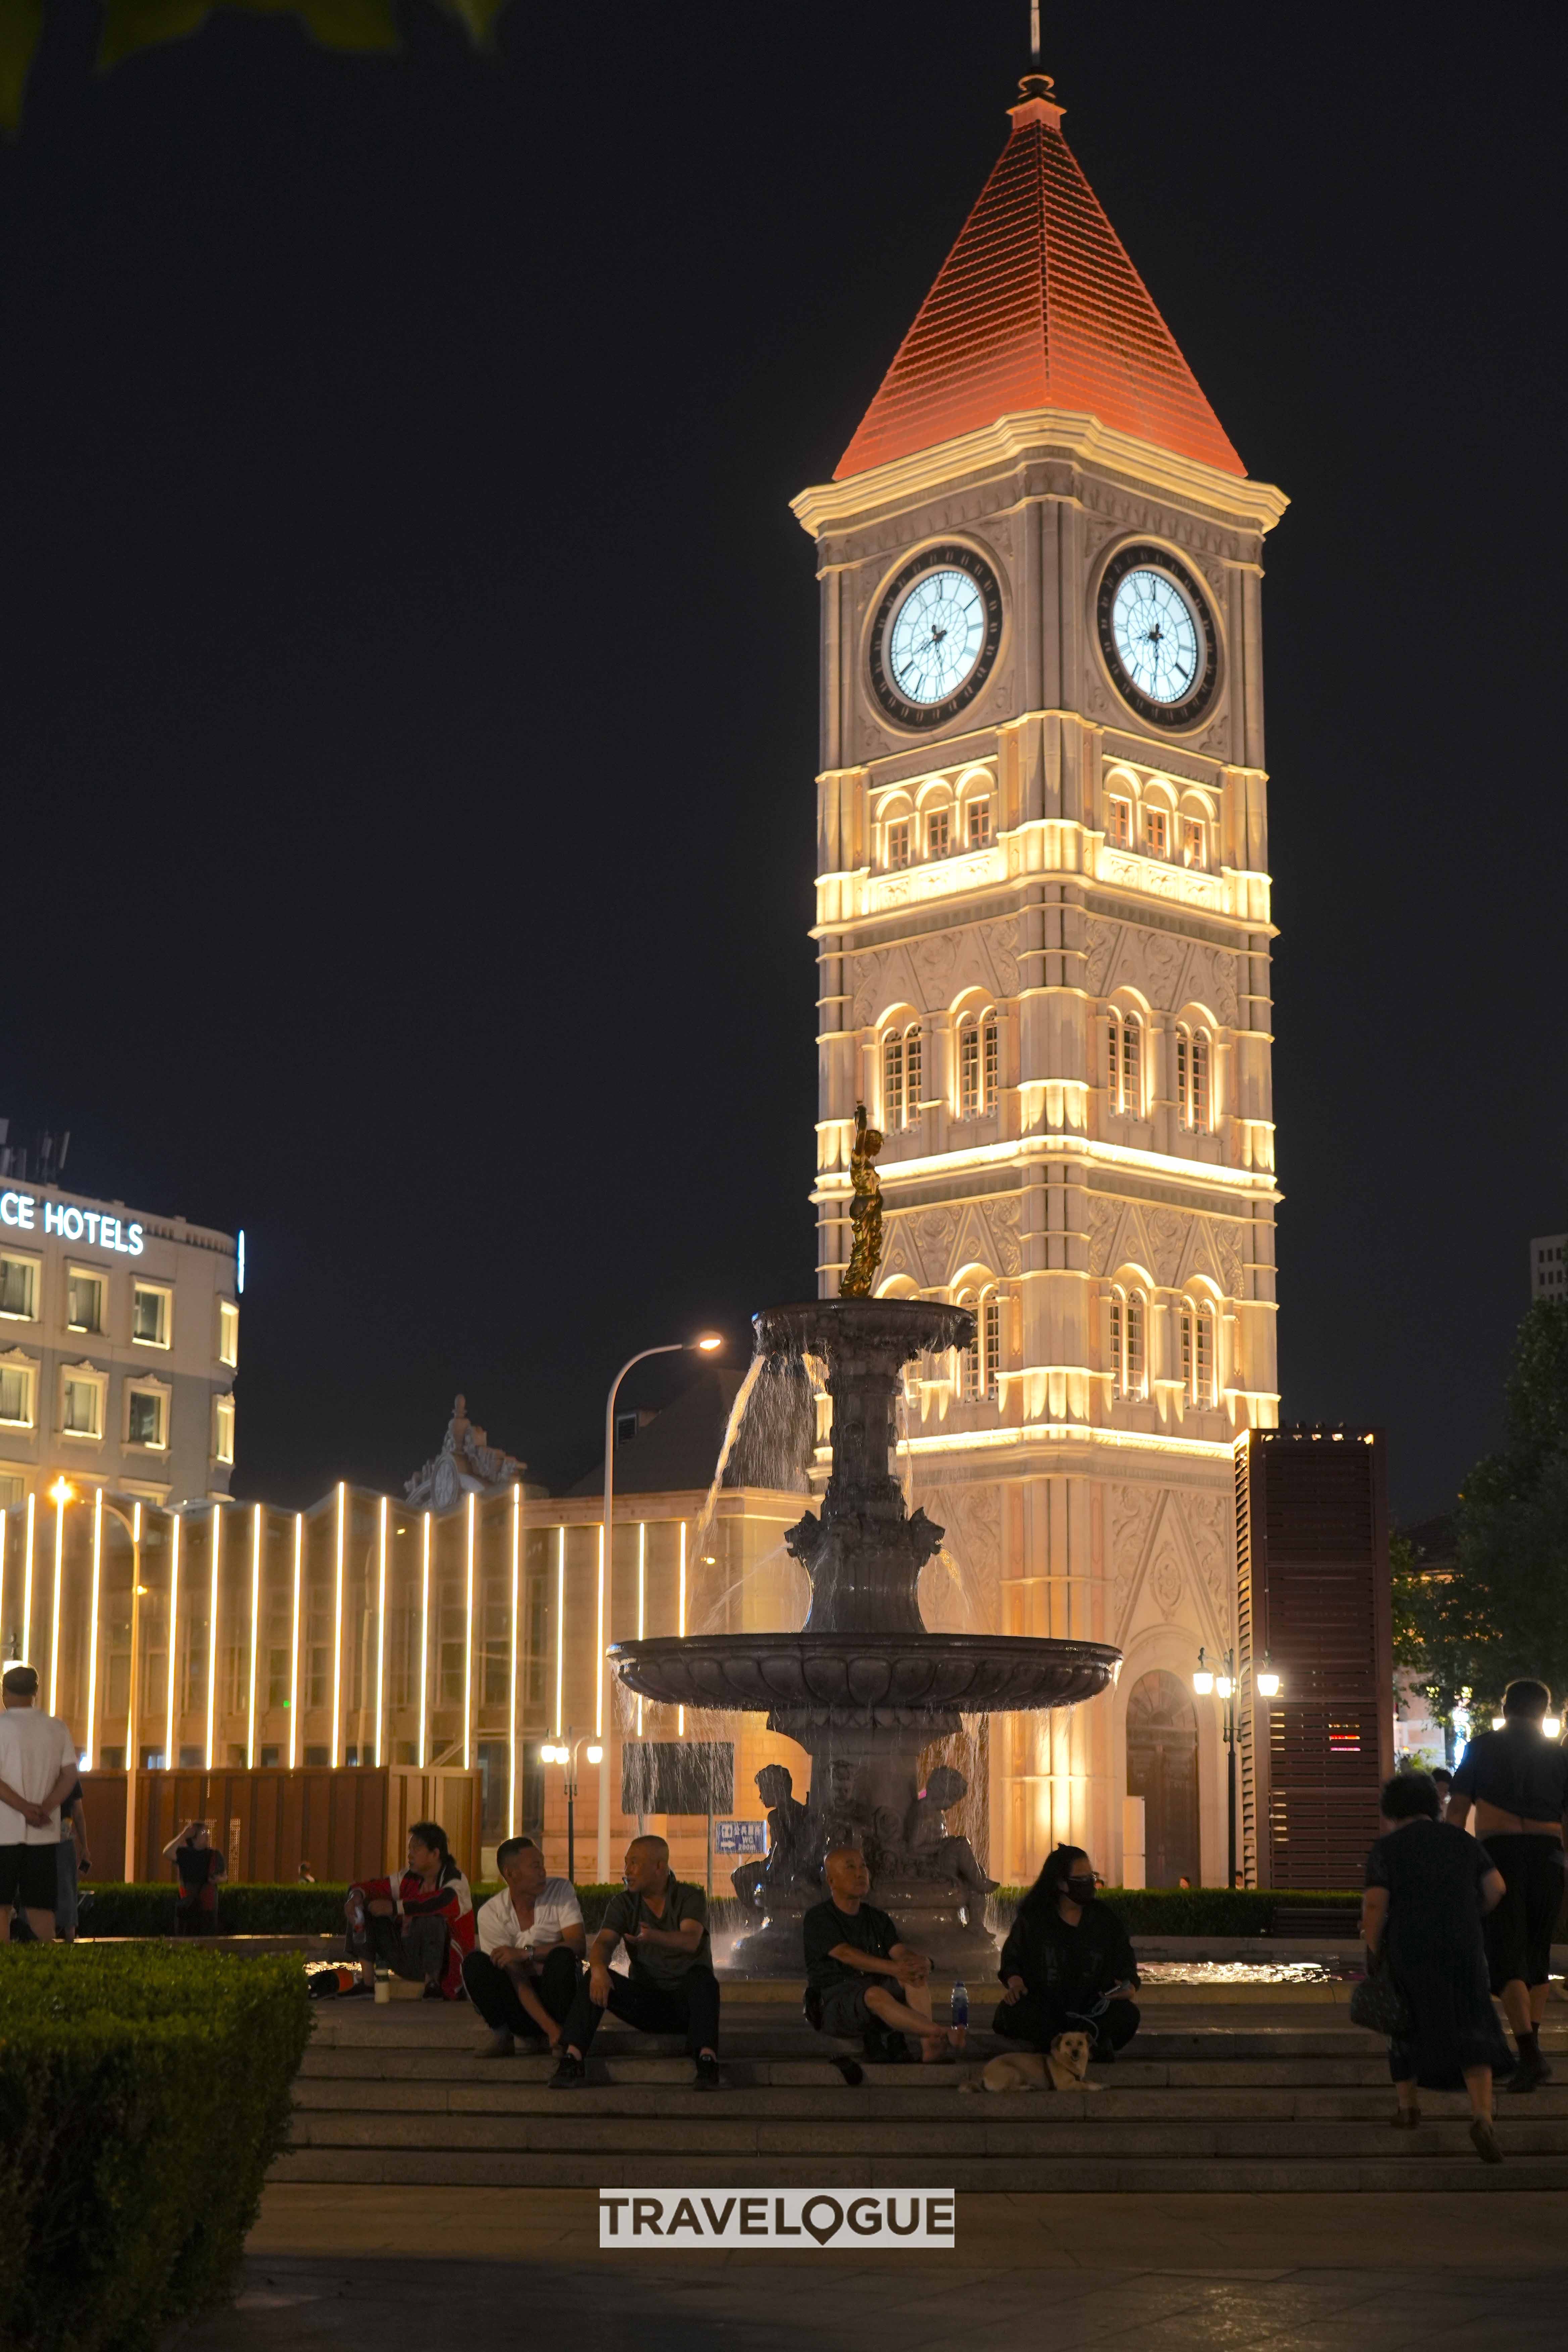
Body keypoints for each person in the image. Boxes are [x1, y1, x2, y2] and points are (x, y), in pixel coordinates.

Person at [1363, 1769, 1513, 2161]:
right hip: (1461, 1942)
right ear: (1432, 1805)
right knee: (1472, 2020)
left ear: (1392, 1809)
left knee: (1404, 2020)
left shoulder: (1388, 1849)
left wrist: (1373, 1946)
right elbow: (1497, 1888)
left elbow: (1376, 1903)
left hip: (1410, 1944)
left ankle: (1408, 2108)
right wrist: (1472, 1915)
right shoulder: (1462, 1842)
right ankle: (1482, 2117)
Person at [1445, 1680, 1568, 2093]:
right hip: (1549, 1856)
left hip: (1499, 1856)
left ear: (1506, 1707)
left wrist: (1454, 1861)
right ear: (1543, 1712)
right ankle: (1531, 2047)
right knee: (1538, 1953)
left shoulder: (1480, 1748)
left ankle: (1530, 2055)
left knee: (1505, 1957)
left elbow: (1458, 1809)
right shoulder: (1559, 1755)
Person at [549, 1834, 720, 2090]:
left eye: (635, 1863)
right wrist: (597, 1970)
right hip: (647, 2002)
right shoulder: (624, 1903)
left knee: (704, 1980)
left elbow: (690, 1941)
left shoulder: (689, 1896)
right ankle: (573, 2057)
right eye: (626, 1863)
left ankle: (707, 2059)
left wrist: (653, 1936)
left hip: (687, 2006)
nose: (627, 1871)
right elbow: (605, 1943)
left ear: (660, 1867)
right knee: (594, 1978)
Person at [802, 1845, 961, 2082]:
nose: (860, 1873)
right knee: (874, 1993)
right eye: (850, 1868)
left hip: (873, 1999)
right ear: (832, 1881)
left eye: (863, 1866)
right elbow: (846, 1954)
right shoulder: (819, 1918)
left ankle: (930, 2048)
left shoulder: (877, 1919)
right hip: (833, 2003)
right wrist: (893, 1969)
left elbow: (899, 1953)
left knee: (913, 1976)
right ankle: (937, 2032)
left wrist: (920, 1963)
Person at [994, 1844, 1140, 2063]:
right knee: (1014, 2012)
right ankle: (1079, 2046)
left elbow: (1126, 1964)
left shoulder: (1105, 1920)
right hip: (1045, 2006)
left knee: (1128, 2015)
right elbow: (1013, 1958)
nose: (1089, 1885)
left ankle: (1073, 2044)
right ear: (1061, 1883)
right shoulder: (1035, 1919)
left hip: (1092, 2008)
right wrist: (1016, 1984)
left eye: (1091, 1877)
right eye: (1081, 1880)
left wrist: (1128, 1988)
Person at [463, 1836, 585, 2056]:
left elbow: (578, 1945)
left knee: (562, 1957)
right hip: (521, 2004)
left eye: (543, 1865)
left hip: (558, 1997)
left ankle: (563, 2034)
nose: (543, 1872)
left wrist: (527, 1954)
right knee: (475, 1963)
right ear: (511, 1874)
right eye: (535, 1866)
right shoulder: (492, 1914)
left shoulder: (560, 1891)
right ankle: (503, 2035)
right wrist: (550, 2029)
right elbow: (517, 1979)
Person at [345, 1822, 474, 1998]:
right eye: (410, 1849)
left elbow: (441, 1901)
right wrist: (356, 1897)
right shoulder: (409, 1878)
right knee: (363, 1909)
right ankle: (367, 1984)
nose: (409, 1855)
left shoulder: (456, 1880)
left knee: (431, 1919)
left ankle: (433, 1985)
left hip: (446, 1965)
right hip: (408, 1955)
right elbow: (376, 1887)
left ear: (435, 1854)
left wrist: (396, 1907)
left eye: (416, 1849)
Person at [0, 1664, 79, 1944]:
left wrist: (22, 1807)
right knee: (41, 1908)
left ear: (4, 1692)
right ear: (36, 1691)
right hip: (44, 1832)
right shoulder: (56, 1728)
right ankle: (49, 1968)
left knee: (1, 1907)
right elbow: (70, 1775)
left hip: (3, 1832)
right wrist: (44, 1808)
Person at [164, 1819, 225, 1933]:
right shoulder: (184, 1854)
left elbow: (225, 1876)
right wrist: (183, 1835)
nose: (207, 1836)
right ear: (193, 1836)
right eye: (203, 1833)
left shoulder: (214, 1855)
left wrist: (219, 1880)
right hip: (188, 1907)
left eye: (208, 1833)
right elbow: (167, 1853)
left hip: (208, 1909)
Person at [56, 1777, 91, 1942]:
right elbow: (79, 1813)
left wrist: (85, 1847)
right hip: (57, 1840)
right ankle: (68, 1938)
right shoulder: (69, 1778)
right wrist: (85, 1847)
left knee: (68, 1890)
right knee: (67, 1890)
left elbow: (79, 1814)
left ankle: (69, 1937)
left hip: (61, 1839)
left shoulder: (71, 1779)